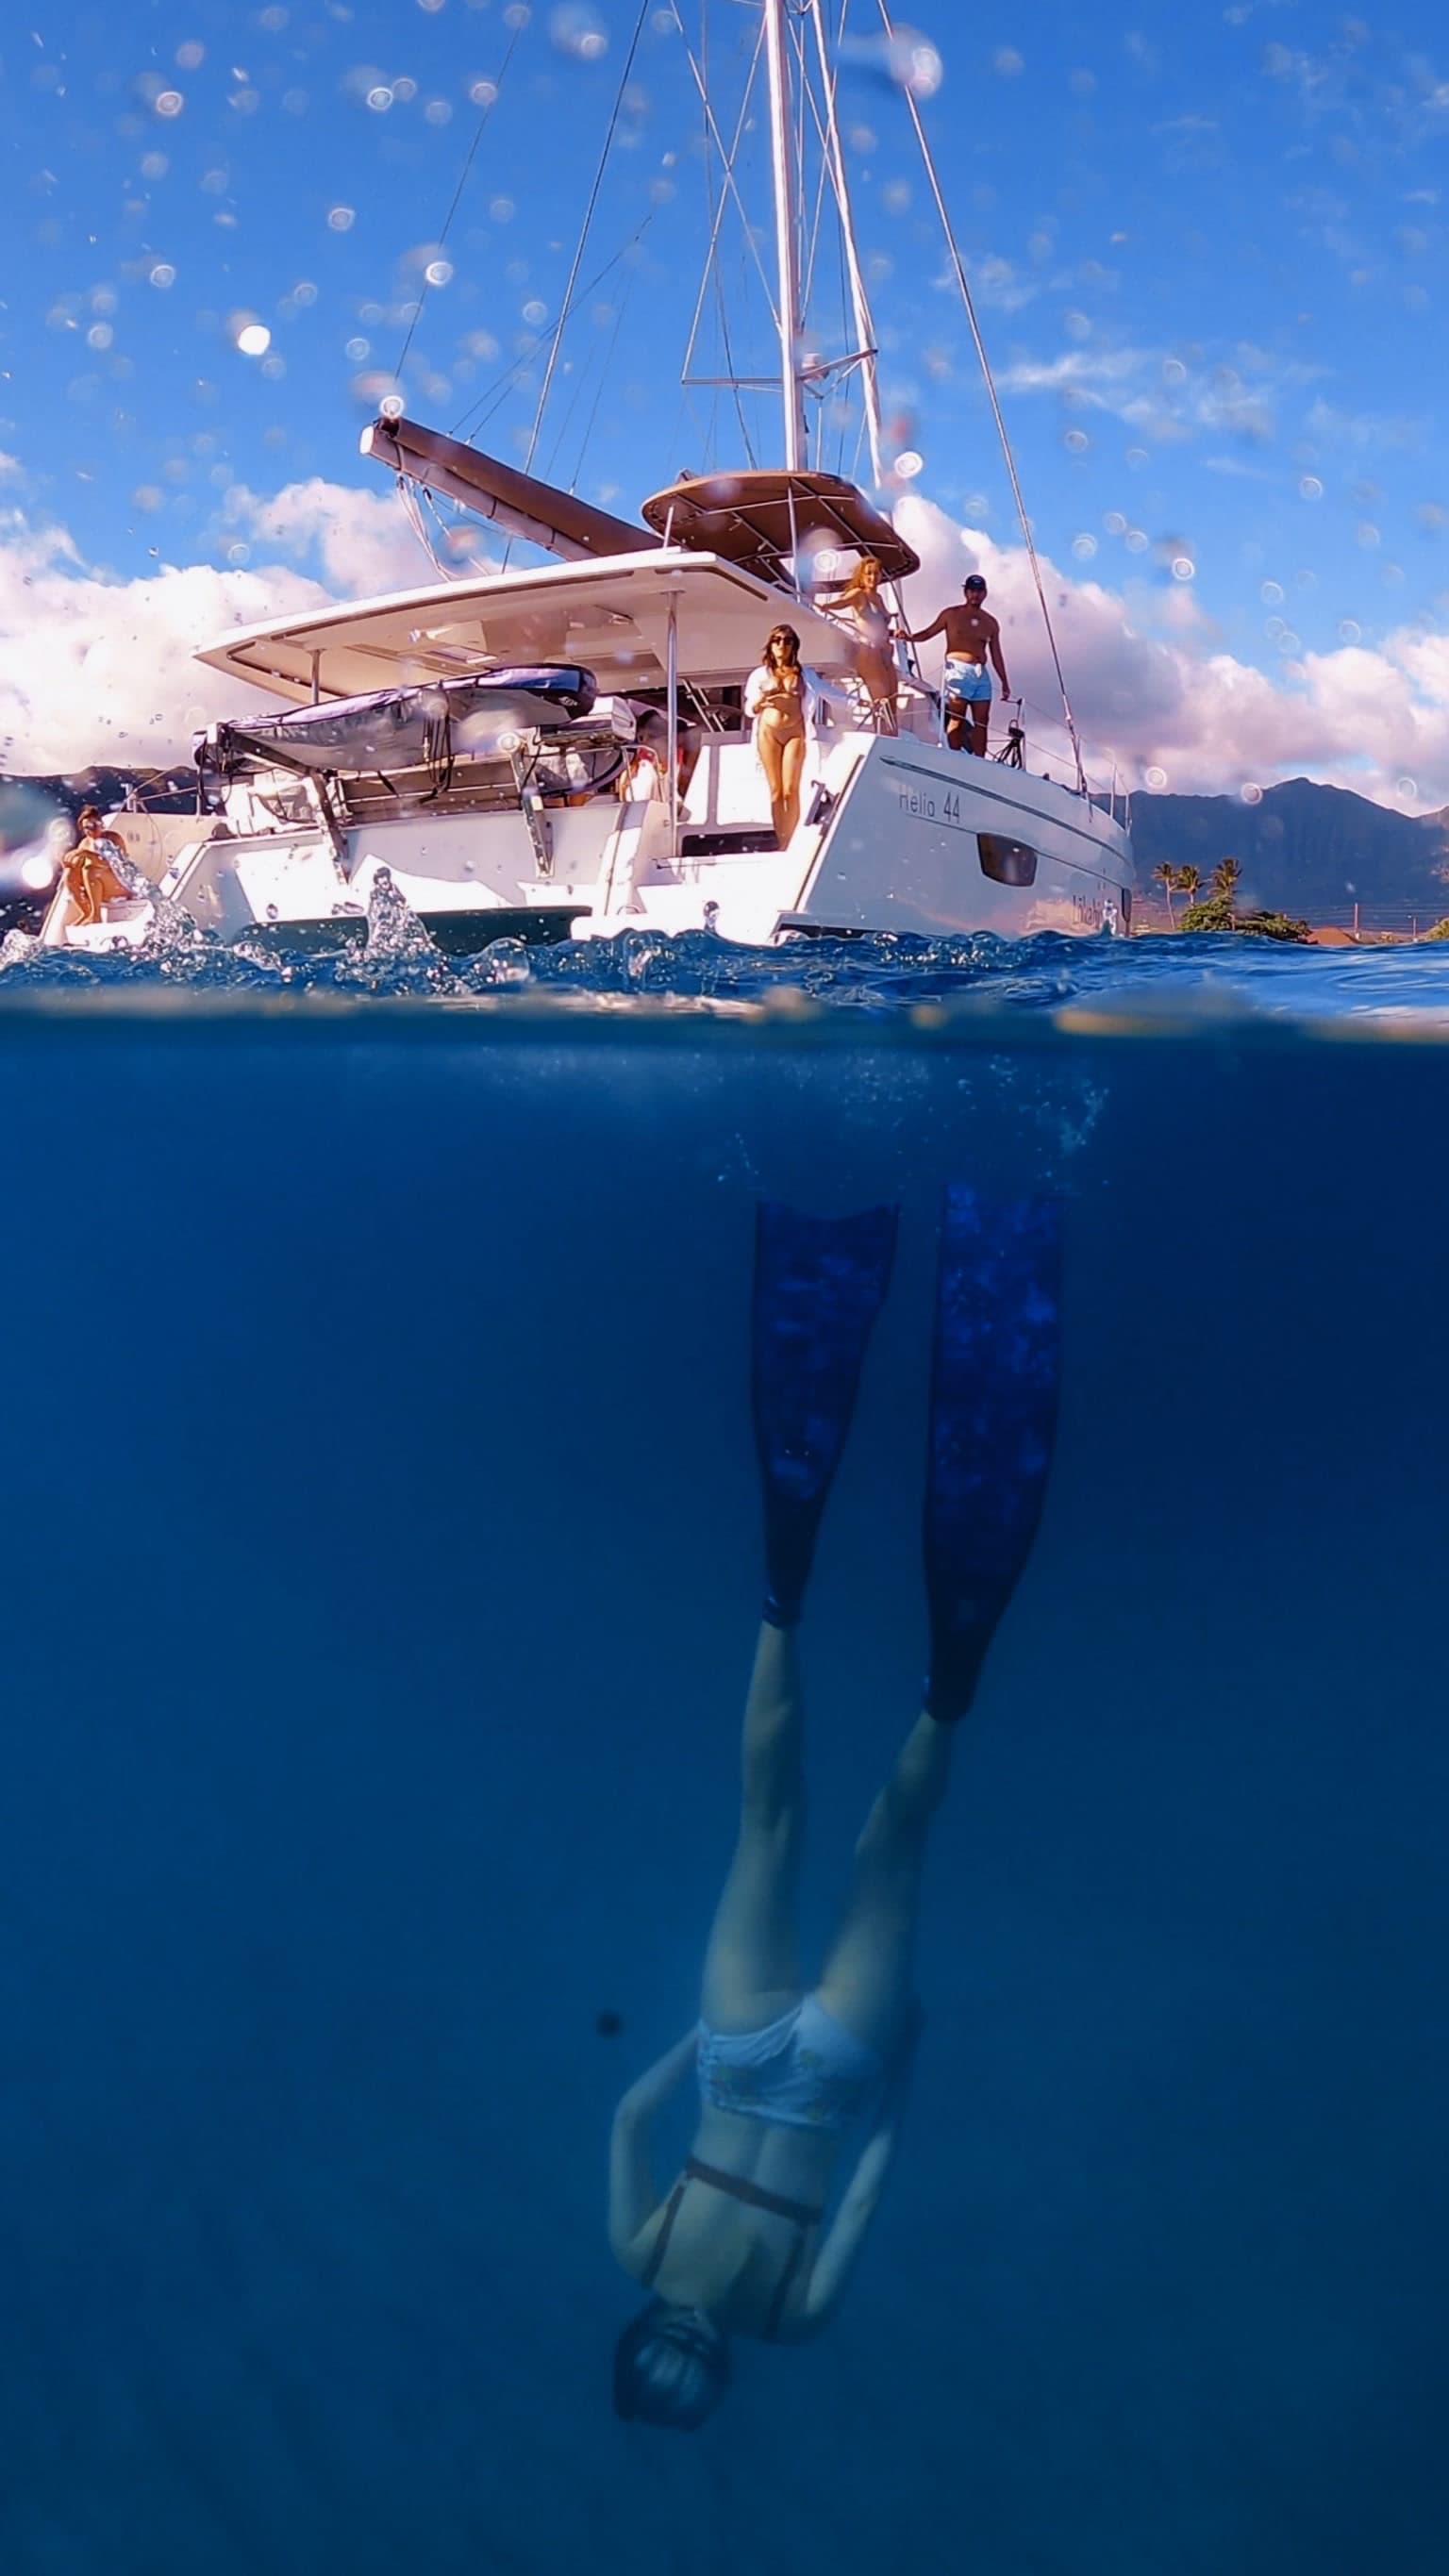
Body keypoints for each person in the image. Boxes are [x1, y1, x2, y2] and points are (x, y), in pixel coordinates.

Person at [609, 1187, 1063, 2431]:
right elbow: (635, 2113)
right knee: (768, 1815)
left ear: (709, 2369)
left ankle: (949, 1678)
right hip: (738, 2044)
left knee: (893, 1845)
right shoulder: (639, 2255)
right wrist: (701, 2044)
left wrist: (898, 2067)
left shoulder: (790, 2319)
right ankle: (784, 1587)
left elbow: (868, 2180)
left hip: (839, 2069)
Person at [895, 573, 1011, 756]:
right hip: (958, 669)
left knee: (982, 720)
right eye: (972, 591)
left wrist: (1004, 681)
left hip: (981, 672)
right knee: (957, 716)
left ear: (985, 593)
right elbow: (928, 633)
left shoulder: (991, 622)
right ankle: (954, 755)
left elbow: (996, 654)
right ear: (966, 592)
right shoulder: (951, 614)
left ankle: (980, 761)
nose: (975, 595)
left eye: (979, 591)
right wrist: (909, 637)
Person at [742, 624, 812, 848]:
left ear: (794, 646)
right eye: (777, 640)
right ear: (770, 645)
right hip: (768, 732)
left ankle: (792, 841)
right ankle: (783, 842)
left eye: (788, 640)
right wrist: (760, 702)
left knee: (791, 790)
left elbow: (829, 692)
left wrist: (856, 702)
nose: (782, 644)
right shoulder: (759, 674)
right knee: (776, 792)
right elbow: (749, 708)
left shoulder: (804, 674)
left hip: (794, 732)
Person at [814, 556, 899, 731]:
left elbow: (879, 625)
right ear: (861, 576)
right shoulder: (859, 594)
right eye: (868, 573)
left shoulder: (879, 598)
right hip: (869, 651)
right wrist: (825, 607)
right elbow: (842, 602)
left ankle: (892, 738)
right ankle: (883, 736)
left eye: (876, 573)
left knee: (892, 703)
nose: (873, 577)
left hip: (886, 653)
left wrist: (893, 633)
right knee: (881, 702)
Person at [59, 806, 133, 925]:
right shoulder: (85, 843)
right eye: (86, 828)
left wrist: (88, 855)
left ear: (101, 824)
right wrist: (68, 864)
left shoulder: (113, 839)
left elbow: (116, 865)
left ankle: (96, 915)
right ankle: (86, 912)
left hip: (120, 884)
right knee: (69, 875)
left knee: (91, 870)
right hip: (99, 887)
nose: (91, 830)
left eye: (93, 825)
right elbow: (78, 869)